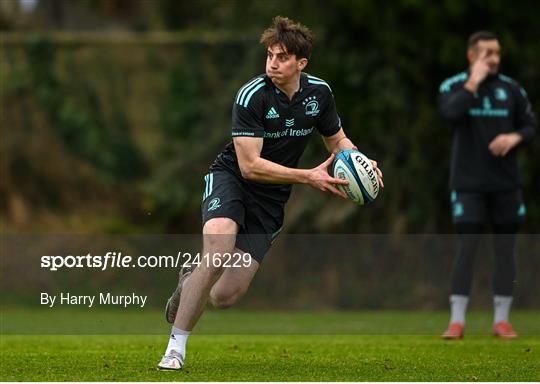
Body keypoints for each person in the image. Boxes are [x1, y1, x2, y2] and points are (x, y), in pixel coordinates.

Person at [157, 16, 384, 370]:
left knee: (224, 296)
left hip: (270, 200)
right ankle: (175, 349)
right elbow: (250, 166)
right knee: (218, 249)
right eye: (270, 56)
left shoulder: (319, 94)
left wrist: (359, 159)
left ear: (301, 63)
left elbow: (336, 139)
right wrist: (307, 176)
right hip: (232, 179)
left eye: (282, 57)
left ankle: (189, 280)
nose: (273, 63)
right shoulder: (252, 95)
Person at [438, 31, 536, 339]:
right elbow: (450, 113)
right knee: (467, 249)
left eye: (497, 53)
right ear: (472, 56)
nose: (494, 58)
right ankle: (456, 321)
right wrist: (473, 82)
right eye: (487, 53)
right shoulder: (454, 86)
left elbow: (530, 126)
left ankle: (502, 321)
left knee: (505, 250)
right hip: (467, 184)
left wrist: (514, 137)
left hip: (506, 184)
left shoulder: (512, 89)